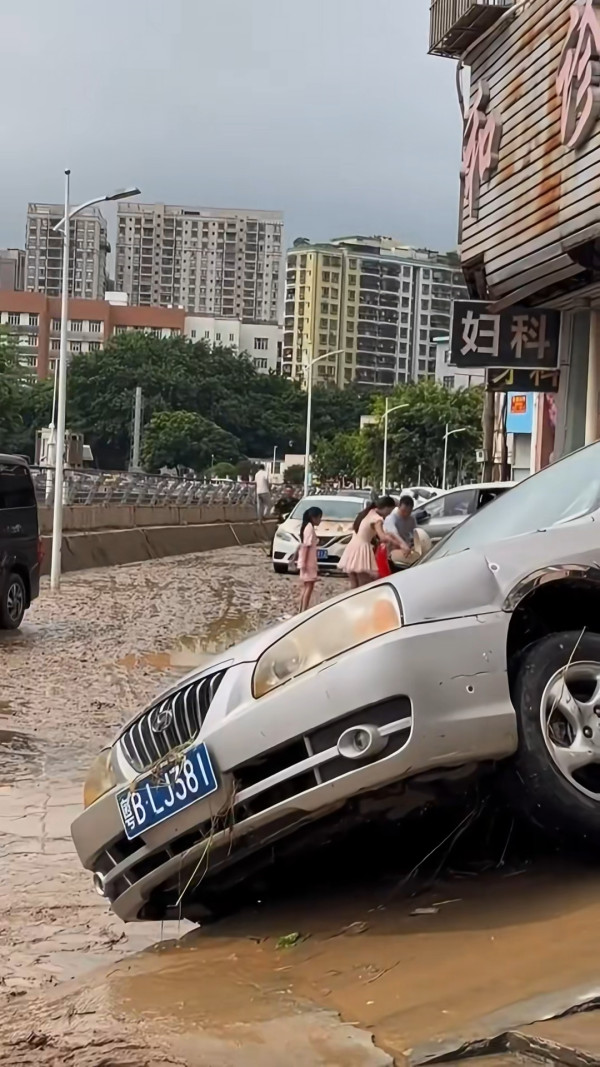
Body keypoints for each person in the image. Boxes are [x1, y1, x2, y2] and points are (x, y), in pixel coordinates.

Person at [338, 496, 407, 588]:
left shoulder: (368, 512)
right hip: (361, 550)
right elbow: (382, 537)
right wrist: (400, 545)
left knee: (354, 584)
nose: (389, 514)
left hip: (351, 549)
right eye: (390, 511)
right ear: (386, 507)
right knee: (364, 584)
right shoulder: (377, 519)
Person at [297, 506, 322, 612]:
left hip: (308, 561)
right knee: (309, 587)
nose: (320, 520)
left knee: (306, 586)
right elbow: (306, 547)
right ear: (313, 517)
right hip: (308, 563)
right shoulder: (309, 528)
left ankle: (302, 609)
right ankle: (303, 609)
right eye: (319, 517)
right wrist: (303, 563)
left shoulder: (308, 527)